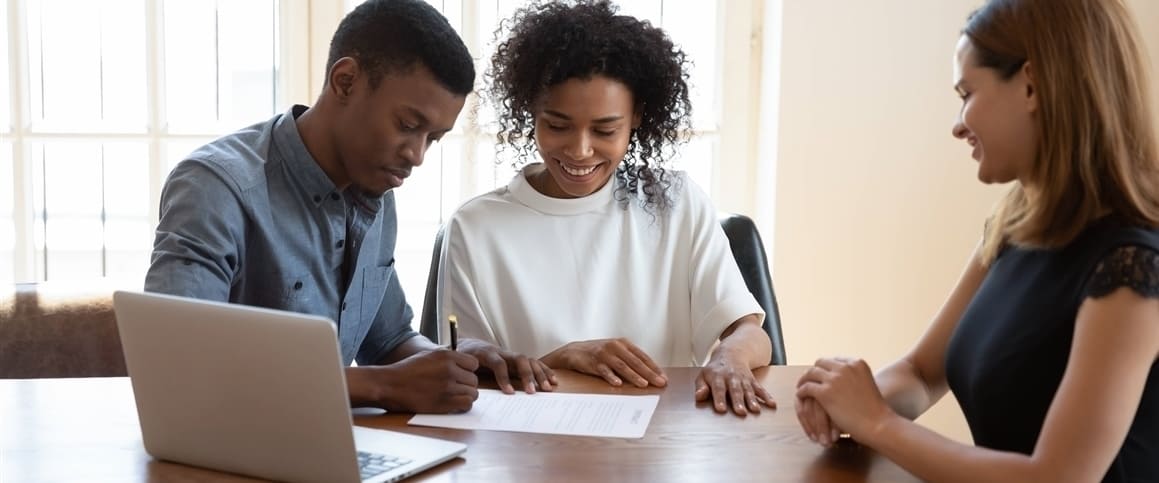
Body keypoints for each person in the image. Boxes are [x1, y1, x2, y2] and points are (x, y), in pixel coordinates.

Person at [795, 0, 1159, 481]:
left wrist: (876, 421)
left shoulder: (1133, 266)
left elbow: (1057, 477)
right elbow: (922, 374)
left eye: (967, 92)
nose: (958, 123)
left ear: (1032, 84)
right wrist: (847, 401)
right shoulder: (1014, 225)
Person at [437, 0, 775, 417]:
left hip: (659, 443)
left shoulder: (675, 203)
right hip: (530, 449)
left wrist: (729, 357)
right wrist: (561, 357)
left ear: (637, 117)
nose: (580, 150)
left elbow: (749, 331)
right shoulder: (475, 229)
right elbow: (467, 369)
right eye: (557, 125)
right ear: (531, 114)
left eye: (605, 129)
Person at [145, 0, 482, 414]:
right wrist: (380, 386)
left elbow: (390, 341)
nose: (417, 155)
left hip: (327, 444)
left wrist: (459, 365)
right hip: (224, 453)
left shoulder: (376, 185)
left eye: (434, 138)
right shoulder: (215, 187)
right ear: (345, 81)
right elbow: (177, 362)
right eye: (408, 126)